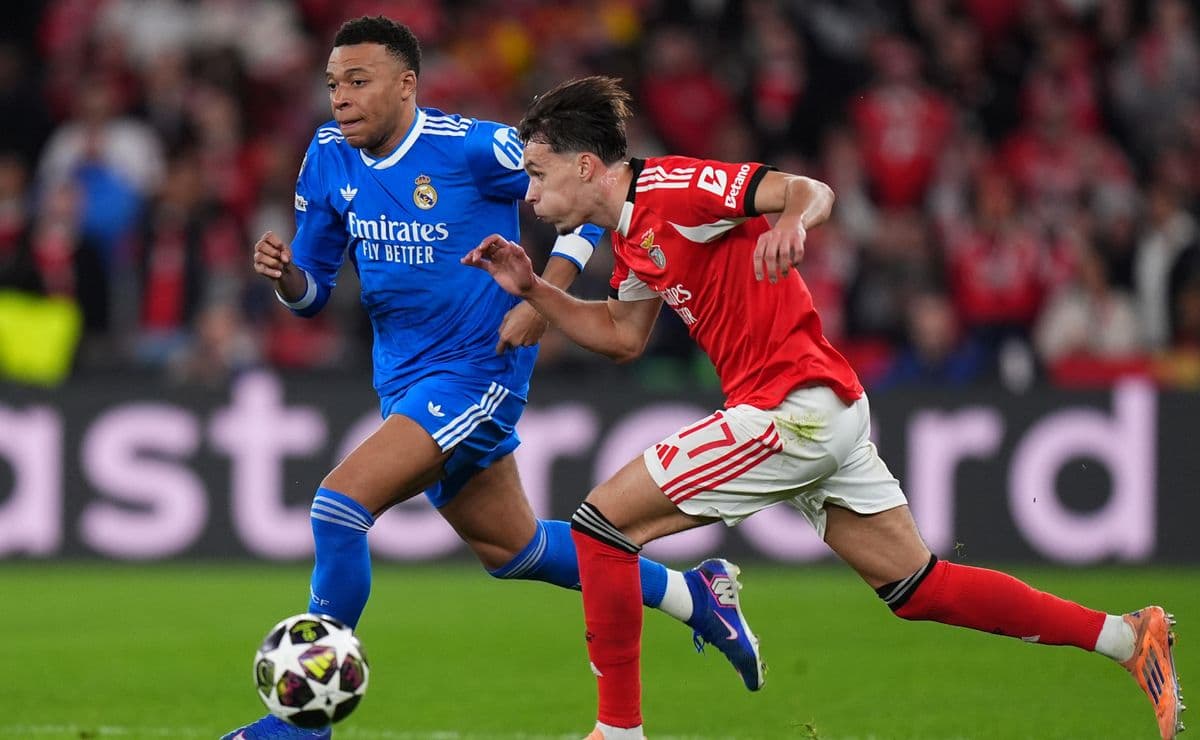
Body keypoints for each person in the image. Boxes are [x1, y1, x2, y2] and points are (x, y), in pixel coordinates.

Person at [463, 75, 1185, 740]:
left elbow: (809, 189)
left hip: (791, 410)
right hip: (817, 410)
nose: (531, 193)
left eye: (538, 174)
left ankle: (619, 730)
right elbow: (622, 337)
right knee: (918, 587)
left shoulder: (677, 189)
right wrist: (535, 290)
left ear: (586, 166)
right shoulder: (632, 236)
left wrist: (792, 222)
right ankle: (1126, 637)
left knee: (600, 524)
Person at [222, 21, 764, 740]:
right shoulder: (326, 156)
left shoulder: (473, 148)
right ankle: (696, 595)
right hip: (404, 380)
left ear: (406, 85)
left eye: (358, 81)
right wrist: (287, 276)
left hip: (478, 370)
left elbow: (589, 198)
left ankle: (302, 724)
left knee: (338, 506)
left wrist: (544, 300)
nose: (340, 97)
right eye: (332, 84)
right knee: (516, 551)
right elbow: (315, 290)